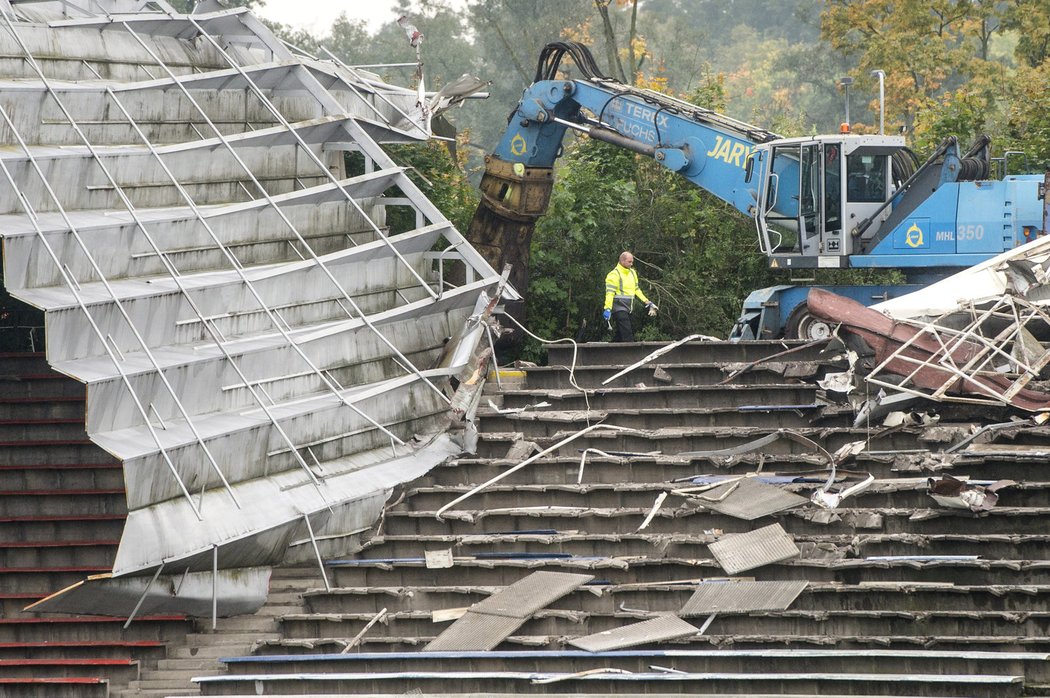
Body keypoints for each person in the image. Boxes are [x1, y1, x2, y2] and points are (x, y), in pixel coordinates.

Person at [602, 251, 657, 342]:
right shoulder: (614, 274)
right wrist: (607, 308)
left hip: (629, 308)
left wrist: (647, 301)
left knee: (621, 333)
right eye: (629, 262)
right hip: (618, 308)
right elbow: (610, 293)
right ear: (622, 261)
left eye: (632, 262)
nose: (631, 264)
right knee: (627, 333)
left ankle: (609, 352)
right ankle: (631, 353)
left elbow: (636, 289)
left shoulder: (632, 273)